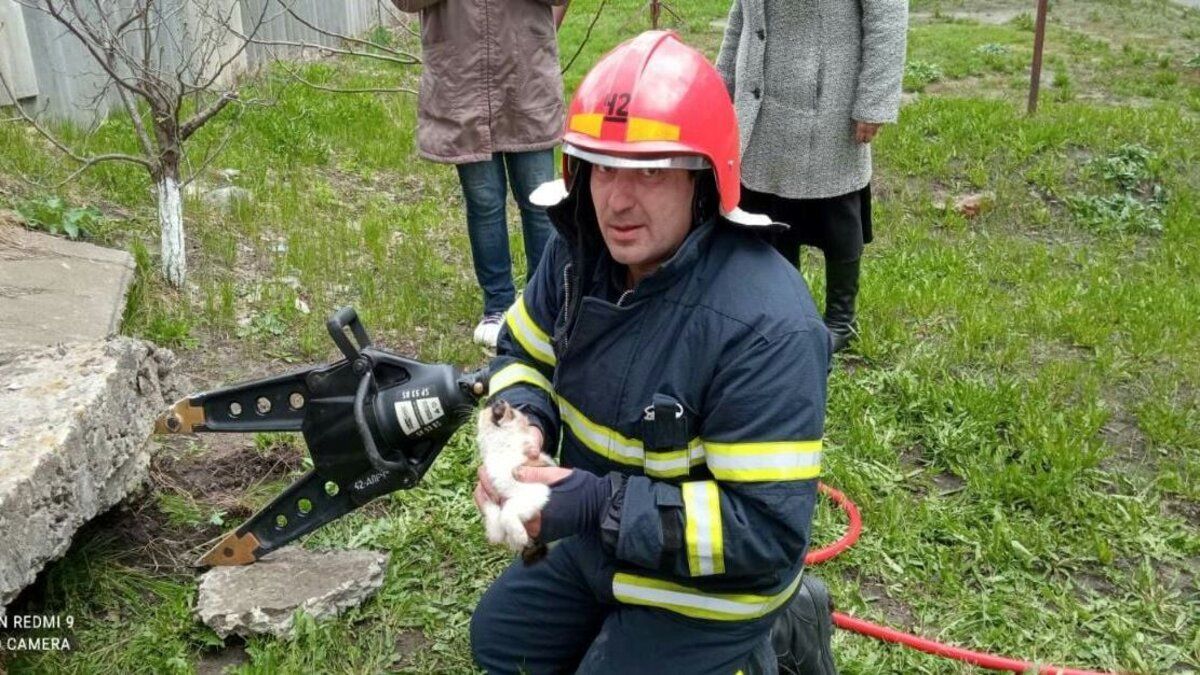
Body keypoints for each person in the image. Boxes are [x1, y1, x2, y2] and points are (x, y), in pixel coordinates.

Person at [470, 31, 836, 674]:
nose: (617, 201)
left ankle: (784, 628)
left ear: (703, 180)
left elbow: (763, 532)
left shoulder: (767, 325)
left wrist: (596, 504)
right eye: (604, 168)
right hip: (599, 545)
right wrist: (518, 428)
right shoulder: (575, 253)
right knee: (499, 647)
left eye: (650, 170)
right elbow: (521, 352)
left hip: (711, 587)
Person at [715, 0, 908, 352]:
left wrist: (874, 101)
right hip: (762, 103)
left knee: (837, 210)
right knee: (772, 208)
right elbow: (743, 12)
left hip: (830, 101)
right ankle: (787, 311)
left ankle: (841, 319)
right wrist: (721, 85)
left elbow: (887, 14)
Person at [391, 0, 570, 348]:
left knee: (540, 203)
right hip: (463, 84)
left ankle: (543, 305)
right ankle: (497, 305)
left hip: (525, 79)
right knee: (484, 203)